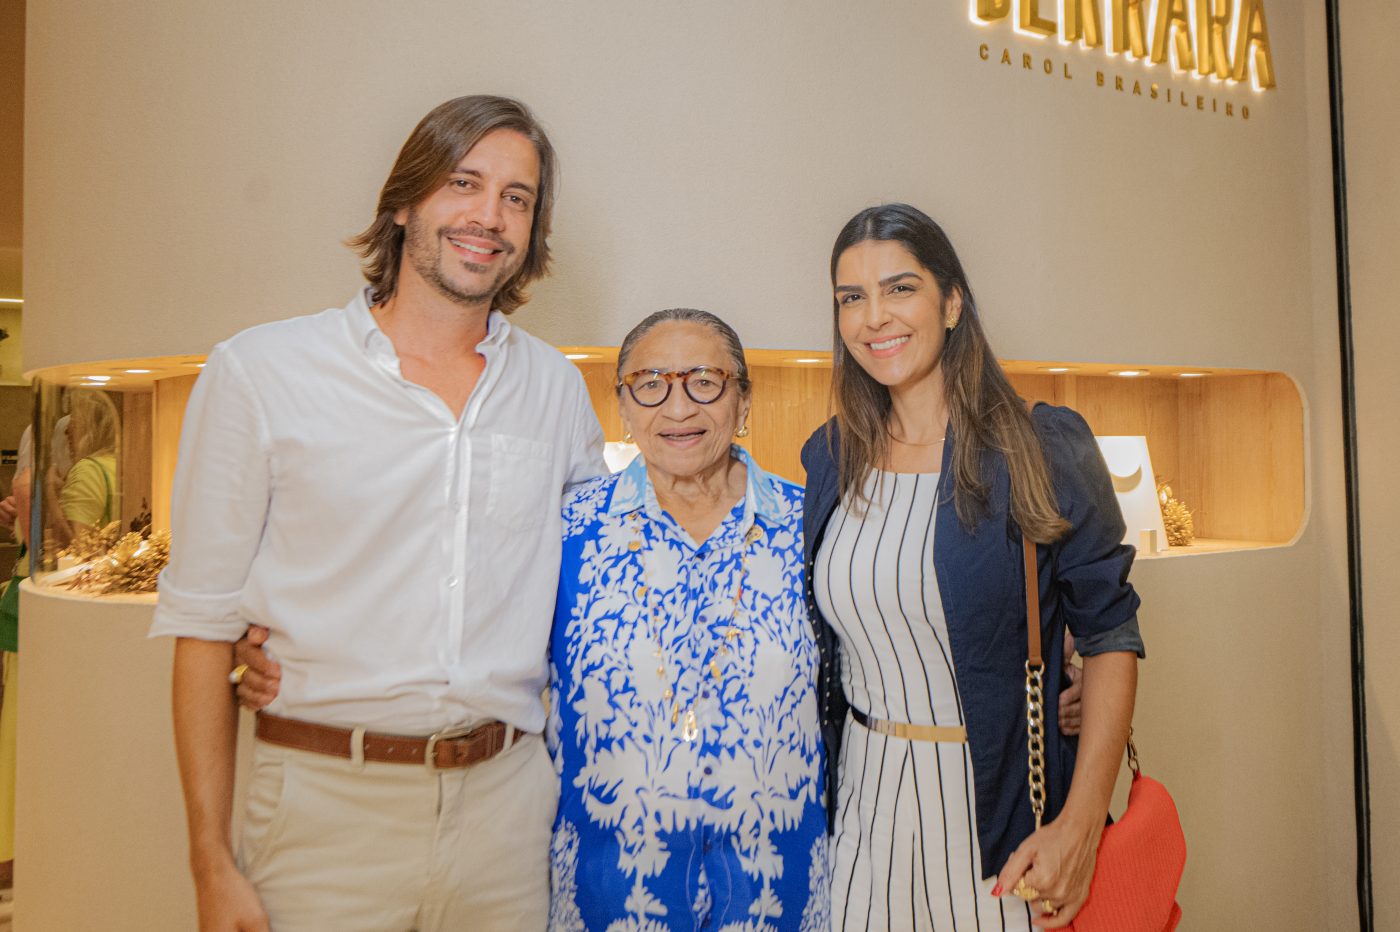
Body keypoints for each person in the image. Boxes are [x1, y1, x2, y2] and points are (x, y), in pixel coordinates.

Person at [149, 95, 605, 932]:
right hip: (321, 813)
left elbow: (593, 586)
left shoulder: (555, 390)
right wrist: (208, 861)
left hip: (508, 818)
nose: (489, 216)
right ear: (405, 202)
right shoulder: (260, 372)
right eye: (463, 183)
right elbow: (201, 622)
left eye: (517, 196)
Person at [801, 203, 1143, 930]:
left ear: (952, 302)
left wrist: (1078, 830)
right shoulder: (832, 455)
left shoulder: (1042, 446)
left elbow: (1111, 634)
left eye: (900, 289)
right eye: (850, 298)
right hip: (862, 808)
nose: (873, 318)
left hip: (996, 819)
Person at [547, 309, 828, 929]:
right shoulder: (565, 530)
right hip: (610, 897)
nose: (677, 409)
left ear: (742, 399)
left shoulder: (813, 529)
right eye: (650, 384)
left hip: (776, 896)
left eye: (704, 381)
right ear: (623, 403)